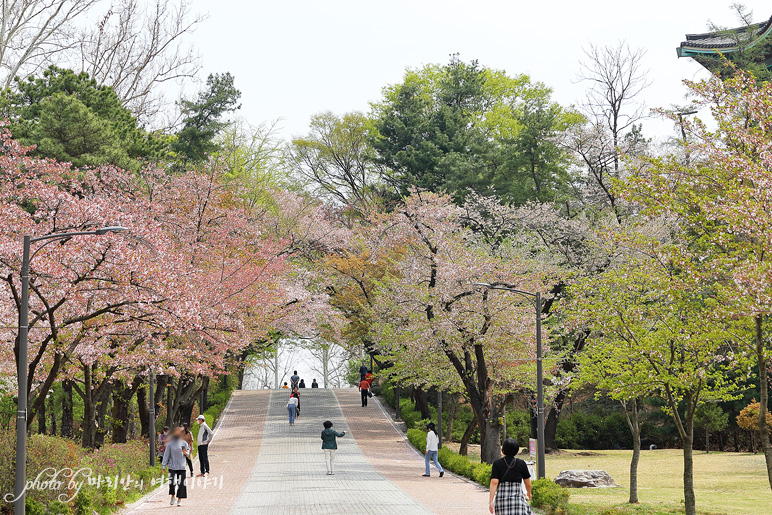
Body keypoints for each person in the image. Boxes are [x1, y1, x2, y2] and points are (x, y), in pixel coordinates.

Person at [489, 438, 532, 515]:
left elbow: (494, 482)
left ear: (503, 450)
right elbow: (528, 483)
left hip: (501, 500)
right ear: (516, 450)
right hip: (517, 500)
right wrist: (529, 493)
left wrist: (491, 501)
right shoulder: (521, 463)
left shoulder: (497, 463)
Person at [162, 428, 190, 507]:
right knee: (172, 483)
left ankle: (179, 499)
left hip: (181, 466)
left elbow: (188, 453)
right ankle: (173, 496)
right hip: (172, 466)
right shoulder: (170, 444)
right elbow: (166, 455)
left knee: (181, 484)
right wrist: (163, 466)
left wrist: (186, 452)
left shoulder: (184, 443)